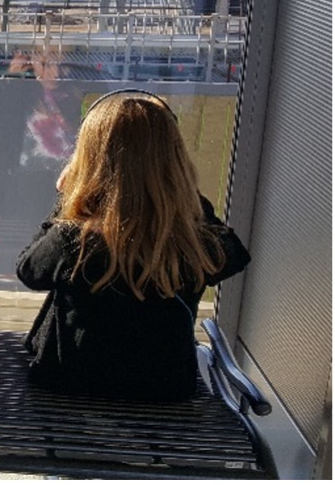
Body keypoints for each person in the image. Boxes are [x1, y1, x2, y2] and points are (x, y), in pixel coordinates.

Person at [16, 89, 251, 401]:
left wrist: (67, 202)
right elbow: (234, 254)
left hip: (71, 385)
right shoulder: (193, 242)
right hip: (166, 390)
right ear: (174, 160)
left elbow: (29, 269)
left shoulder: (73, 239)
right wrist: (184, 198)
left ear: (89, 160)